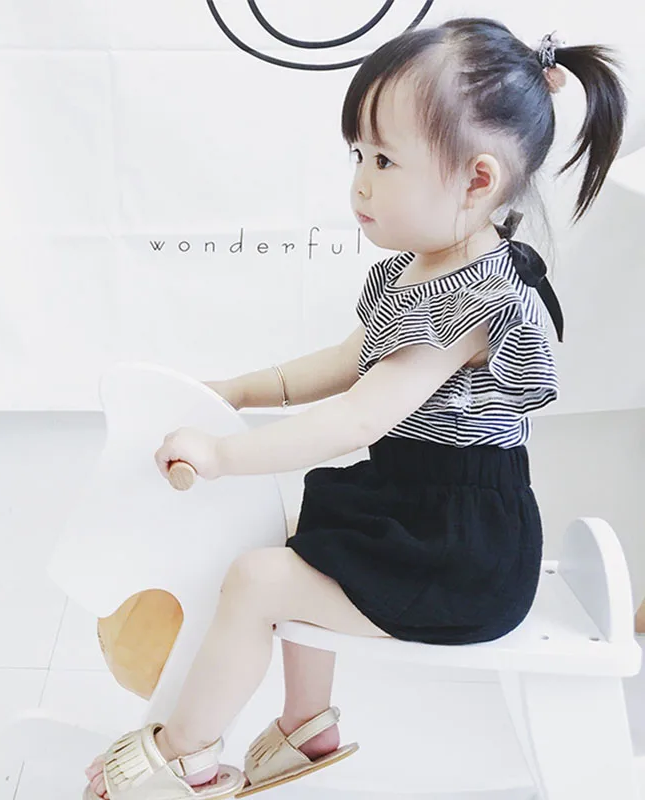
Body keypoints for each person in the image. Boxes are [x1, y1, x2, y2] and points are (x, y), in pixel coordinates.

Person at [84, 17, 627, 800]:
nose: (361, 184)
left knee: (258, 581)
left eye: (385, 160)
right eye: (358, 156)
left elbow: (360, 416)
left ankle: (183, 759)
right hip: (414, 507)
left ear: (477, 181)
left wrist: (224, 454)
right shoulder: (426, 266)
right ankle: (306, 729)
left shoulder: (474, 301)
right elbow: (348, 361)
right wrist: (235, 392)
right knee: (295, 530)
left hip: (460, 553)